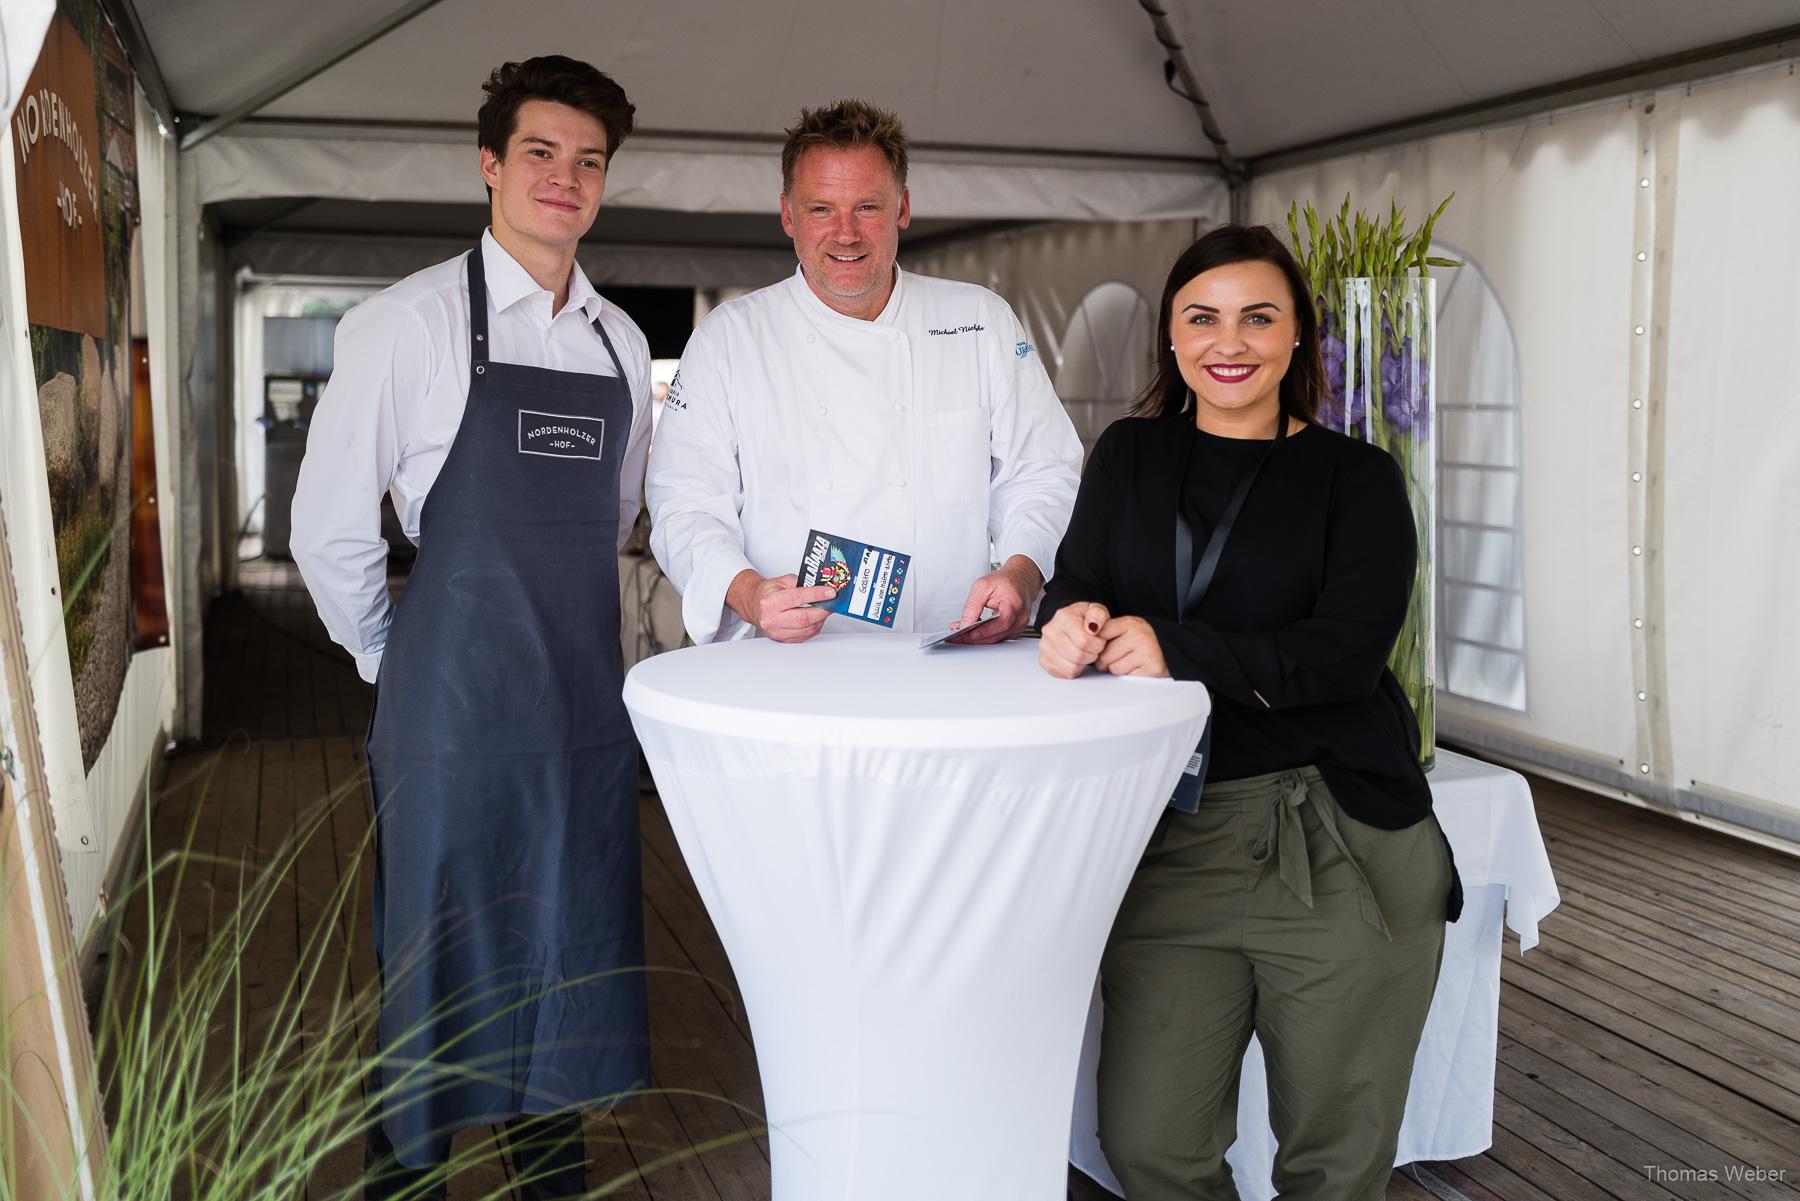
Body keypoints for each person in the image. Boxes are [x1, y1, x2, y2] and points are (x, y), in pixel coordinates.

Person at [290, 56, 654, 1201]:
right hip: (449, 726)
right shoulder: (406, 325)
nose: (566, 178)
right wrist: (398, 665)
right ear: (490, 165)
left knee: (565, 978)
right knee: (433, 989)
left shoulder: (620, 346)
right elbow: (326, 530)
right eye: (541, 153)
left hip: (584, 728)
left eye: (588, 161)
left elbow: (622, 520)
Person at [1037, 225, 1460, 1201]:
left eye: (1258, 316)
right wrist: (1065, 625)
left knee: (1334, 1158)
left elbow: (1348, 652)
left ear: (1300, 336)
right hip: (1172, 836)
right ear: (1173, 340)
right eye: (1202, 317)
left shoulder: (1356, 478)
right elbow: (1077, 587)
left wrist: (1177, 649)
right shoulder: (1130, 454)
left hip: (1338, 839)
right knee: (1150, 1145)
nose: (1230, 341)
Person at [645, 99, 1080, 645]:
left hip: (949, 644)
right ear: (787, 215)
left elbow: (1041, 470)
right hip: (785, 659)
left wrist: (1020, 573)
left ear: (902, 208)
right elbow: (684, 501)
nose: (846, 233)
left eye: (868, 207)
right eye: (821, 209)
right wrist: (749, 592)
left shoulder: (977, 319)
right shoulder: (729, 337)